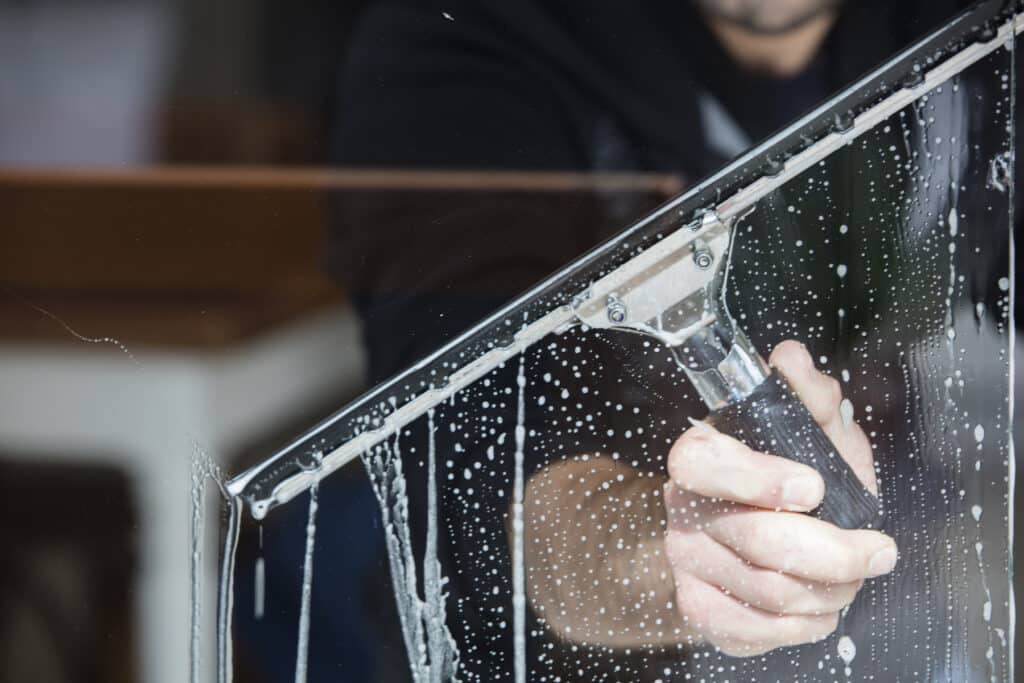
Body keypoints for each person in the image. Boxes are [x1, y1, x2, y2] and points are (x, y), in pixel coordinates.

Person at [323, 0, 1010, 679]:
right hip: (572, 656)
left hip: (904, 605)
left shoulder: (966, 28)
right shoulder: (462, 34)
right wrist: (674, 550)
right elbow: (475, 445)